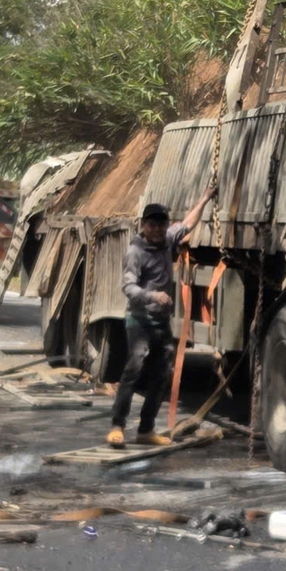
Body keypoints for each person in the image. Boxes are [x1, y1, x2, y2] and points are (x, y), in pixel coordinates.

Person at [106, 187, 215, 449]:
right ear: (144, 225)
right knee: (133, 369)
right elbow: (128, 288)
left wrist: (204, 199)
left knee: (161, 374)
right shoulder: (136, 252)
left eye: (161, 223)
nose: (156, 229)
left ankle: (146, 430)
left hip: (161, 322)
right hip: (139, 319)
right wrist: (153, 296)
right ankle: (117, 426)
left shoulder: (168, 240)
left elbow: (188, 224)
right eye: (152, 224)